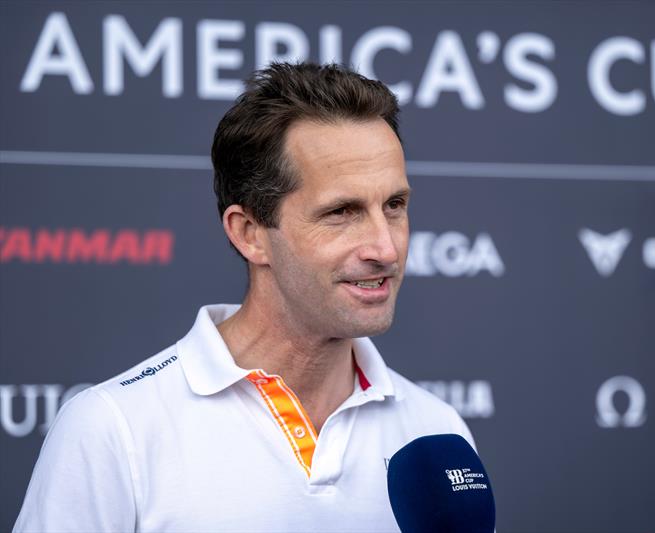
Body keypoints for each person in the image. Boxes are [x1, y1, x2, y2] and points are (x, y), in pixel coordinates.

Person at [14, 62, 475, 532]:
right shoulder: (113, 429)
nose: (386, 248)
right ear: (250, 233)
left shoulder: (437, 429)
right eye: (342, 212)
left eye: (394, 206)